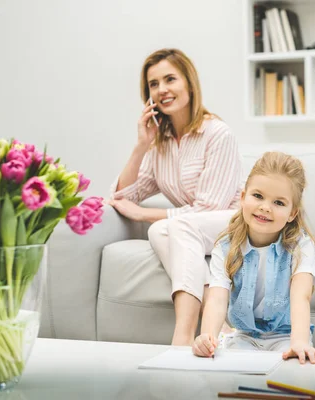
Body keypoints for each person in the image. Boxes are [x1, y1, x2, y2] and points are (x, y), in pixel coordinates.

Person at [109, 48, 243, 346]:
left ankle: (182, 336)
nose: (162, 90)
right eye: (153, 84)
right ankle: (219, 322)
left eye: (170, 79)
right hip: (192, 229)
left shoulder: (218, 133)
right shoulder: (160, 144)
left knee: (164, 225)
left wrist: (144, 214)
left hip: (232, 223)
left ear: (189, 83)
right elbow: (122, 195)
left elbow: (210, 207)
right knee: (161, 229)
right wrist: (141, 145)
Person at [192, 152, 315, 364]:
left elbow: (301, 297)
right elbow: (217, 299)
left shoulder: (301, 246)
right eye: (258, 196)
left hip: (286, 336)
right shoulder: (225, 246)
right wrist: (207, 336)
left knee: (290, 371)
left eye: (279, 203)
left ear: (292, 213)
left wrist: (299, 342)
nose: (265, 207)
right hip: (244, 336)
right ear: (243, 197)